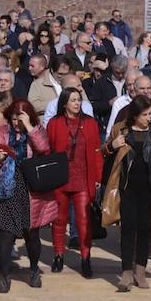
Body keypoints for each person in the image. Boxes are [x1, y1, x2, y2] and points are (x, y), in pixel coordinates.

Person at [103, 96, 151, 292]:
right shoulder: (121, 129)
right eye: (144, 114)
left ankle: (140, 270)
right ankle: (126, 272)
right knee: (128, 229)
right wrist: (113, 145)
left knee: (145, 229)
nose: (148, 117)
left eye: (150, 113)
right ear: (135, 115)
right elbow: (104, 153)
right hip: (127, 187)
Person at [0, 99, 56, 292]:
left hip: (30, 189)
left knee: (31, 234)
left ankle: (33, 269)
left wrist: (30, 127)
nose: (16, 123)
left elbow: (43, 149)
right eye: (14, 118)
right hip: (7, 187)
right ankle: (5, 275)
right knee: (6, 234)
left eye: (20, 119)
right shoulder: (1, 133)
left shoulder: (36, 131)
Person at [46, 87, 103, 277]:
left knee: (84, 221)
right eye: (73, 100)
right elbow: (49, 151)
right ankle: (58, 255)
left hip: (82, 178)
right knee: (59, 219)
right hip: (61, 178)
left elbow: (97, 152)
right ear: (64, 104)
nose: (77, 103)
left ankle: (86, 258)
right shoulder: (54, 123)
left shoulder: (90, 123)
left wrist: (97, 178)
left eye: (78, 99)